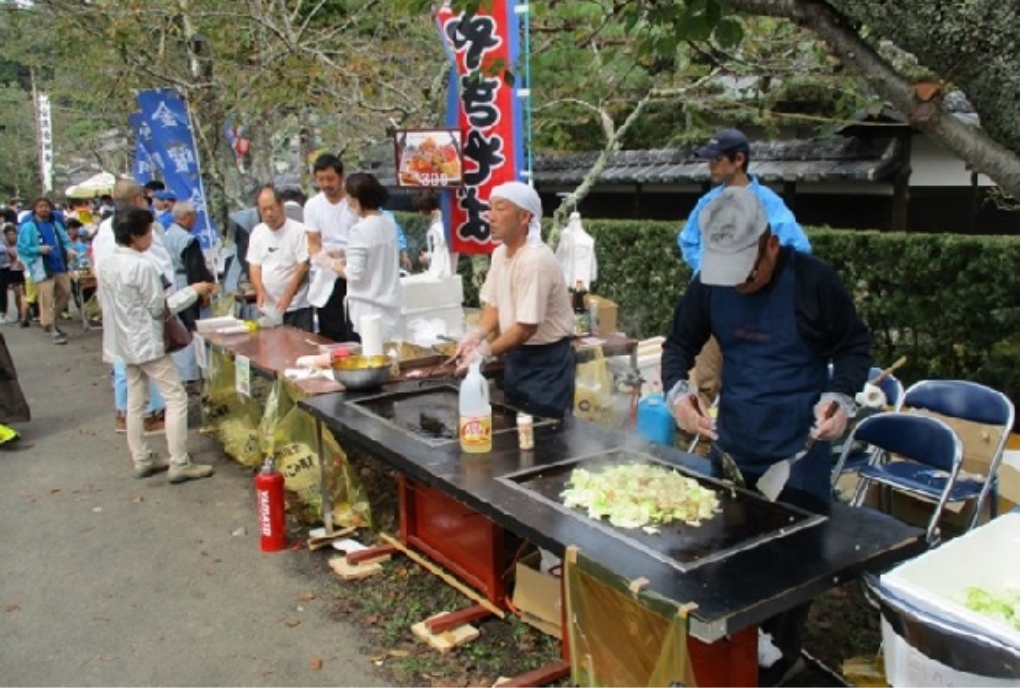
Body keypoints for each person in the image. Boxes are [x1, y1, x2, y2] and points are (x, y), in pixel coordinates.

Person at [662, 187, 870, 684]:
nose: (738, 286)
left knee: (789, 574)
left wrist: (840, 397)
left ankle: (782, 658)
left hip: (799, 452)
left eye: (747, 274)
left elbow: (854, 346)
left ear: (771, 245)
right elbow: (679, 343)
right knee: (726, 568)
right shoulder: (711, 284)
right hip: (733, 446)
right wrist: (678, 395)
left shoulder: (814, 282)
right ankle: (729, 658)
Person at [677, 128, 813, 406]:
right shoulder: (707, 202)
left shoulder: (769, 204)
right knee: (704, 381)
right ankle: (699, 447)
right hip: (712, 304)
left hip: (754, 309)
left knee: (748, 383)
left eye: (716, 159)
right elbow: (688, 241)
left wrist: (758, 278)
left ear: (739, 160)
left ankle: (737, 441)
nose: (710, 166)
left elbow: (798, 250)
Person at [97, 205, 216, 482]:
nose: (152, 237)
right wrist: (193, 291)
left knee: (136, 401)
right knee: (176, 397)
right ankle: (179, 462)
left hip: (122, 342)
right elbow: (160, 309)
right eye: (149, 232)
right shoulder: (141, 266)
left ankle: (141, 457)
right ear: (135, 236)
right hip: (145, 341)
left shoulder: (106, 263)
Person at [454, 182, 576, 419]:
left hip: (547, 362)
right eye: (490, 207)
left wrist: (485, 351)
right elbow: (495, 303)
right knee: (515, 429)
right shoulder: (500, 253)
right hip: (517, 355)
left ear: (524, 217)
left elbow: (526, 328)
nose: (490, 216)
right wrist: (476, 334)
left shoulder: (535, 260)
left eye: (500, 208)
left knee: (546, 436)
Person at [94, 179, 174, 434]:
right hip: (140, 306)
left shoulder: (104, 229)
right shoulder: (137, 231)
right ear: (139, 198)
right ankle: (159, 424)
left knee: (126, 367)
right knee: (163, 381)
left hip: (117, 305)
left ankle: (127, 417)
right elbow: (153, 268)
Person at [315, 173, 402, 342]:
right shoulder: (388, 223)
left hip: (367, 311)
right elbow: (375, 256)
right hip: (389, 308)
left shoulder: (360, 230)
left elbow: (354, 274)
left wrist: (330, 263)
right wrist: (344, 252)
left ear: (355, 200)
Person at [303, 153, 359, 342]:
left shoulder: (353, 203)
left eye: (330, 179)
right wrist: (322, 258)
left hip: (353, 269)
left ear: (341, 177)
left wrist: (345, 258)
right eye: (321, 179)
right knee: (330, 327)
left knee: (355, 325)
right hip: (327, 271)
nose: (326, 184)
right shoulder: (312, 206)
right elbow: (313, 241)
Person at [163, 201, 216, 385]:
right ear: (187, 217)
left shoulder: (167, 234)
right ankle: (194, 374)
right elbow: (195, 270)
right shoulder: (188, 240)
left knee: (178, 327)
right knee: (191, 328)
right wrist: (202, 293)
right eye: (194, 216)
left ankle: (184, 373)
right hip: (188, 284)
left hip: (173, 285)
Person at [247, 186, 312, 331]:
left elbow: (303, 265)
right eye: (264, 210)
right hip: (269, 308)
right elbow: (254, 266)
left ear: (281, 205)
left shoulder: (299, 230)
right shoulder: (257, 232)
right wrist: (259, 291)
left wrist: (289, 293)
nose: (269, 214)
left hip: (296, 305)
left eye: (272, 208)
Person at [17, 198, 75, 345]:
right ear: (34, 209)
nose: (44, 209)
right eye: (40, 206)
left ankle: (50, 321)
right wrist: (38, 249)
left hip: (59, 265)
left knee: (66, 292)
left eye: (46, 206)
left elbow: (65, 240)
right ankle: (53, 329)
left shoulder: (55, 224)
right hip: (42, 268)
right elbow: (22, 248)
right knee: (46, 299)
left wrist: (69, 249)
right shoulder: (28, 227)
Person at [413, 190, 452, 277]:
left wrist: (427, 257)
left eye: (421, 209)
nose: (419, 213)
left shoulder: (439, 225)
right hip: (438, 271)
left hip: (440, 272)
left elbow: (444, 252)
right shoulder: (438, 220)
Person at [1, 224, 26, 325]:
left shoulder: (21, 244)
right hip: (12, 270)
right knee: (17, 293)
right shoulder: (5, 247)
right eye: (9, 234)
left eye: (13, 234)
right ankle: (20, 312)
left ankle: (24, 312)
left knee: (24, 293)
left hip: (23, 270)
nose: (12, 236)